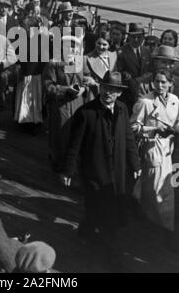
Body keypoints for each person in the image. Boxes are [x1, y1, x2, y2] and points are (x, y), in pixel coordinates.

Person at [61, 71, 141, 248]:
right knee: (94, 202)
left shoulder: (122, 109)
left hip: (117, 167)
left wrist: (135, 163)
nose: (108, 93)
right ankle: (92, 235)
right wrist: (68, 170)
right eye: (105, 88)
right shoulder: (86, 112)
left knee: (114, 201)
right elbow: (74, 145)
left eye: (113, 90)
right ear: (100, 87)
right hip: (94, 167)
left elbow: (128, 138)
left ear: (119, 93)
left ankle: (100, 234)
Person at [131, 69, 179, 251]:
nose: (160, 85)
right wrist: (153, 130)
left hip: (169, 149)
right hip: (152, 148)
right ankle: (162, 228)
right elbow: (133, 125)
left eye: (163, 82)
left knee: (164, 192)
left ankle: (160, 226)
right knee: (156, 190)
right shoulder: (145, 102)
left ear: (170, 84)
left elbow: (176, 122)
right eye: (157, 82)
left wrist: (174, 130)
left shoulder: (175, 100)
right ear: (152, 83)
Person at [43, 35, 86, 172]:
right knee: (60, 132)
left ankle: (71, 162)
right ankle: (58, 161)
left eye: (74, 46)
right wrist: (65, 89)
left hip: (78, 103)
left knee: (75, 132)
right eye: (68, 46)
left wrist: (83, 89)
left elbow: (84, 80)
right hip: (61, 104)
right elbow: (48, 86)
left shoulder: (79, 62)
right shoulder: (53, 63)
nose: (71, 49)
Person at [117, 22, 152, 111]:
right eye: (133, 37)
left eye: (139, 37)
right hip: (127, 94)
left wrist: (140, 80)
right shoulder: (121, 52)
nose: (136, 39)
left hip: (144, 93)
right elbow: (119, 71)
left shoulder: (147, 51)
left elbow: (150, 70)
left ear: (143, 37)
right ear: (128, 37)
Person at [83, 31, 118, 101]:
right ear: (95, 43)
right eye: (98, 43)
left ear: (109, 45)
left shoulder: (114, 55)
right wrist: (89, 79)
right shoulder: (86, 58)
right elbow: (80, 77)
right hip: (95, 95)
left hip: (111, 95)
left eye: (104, 44)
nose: (101, 47)